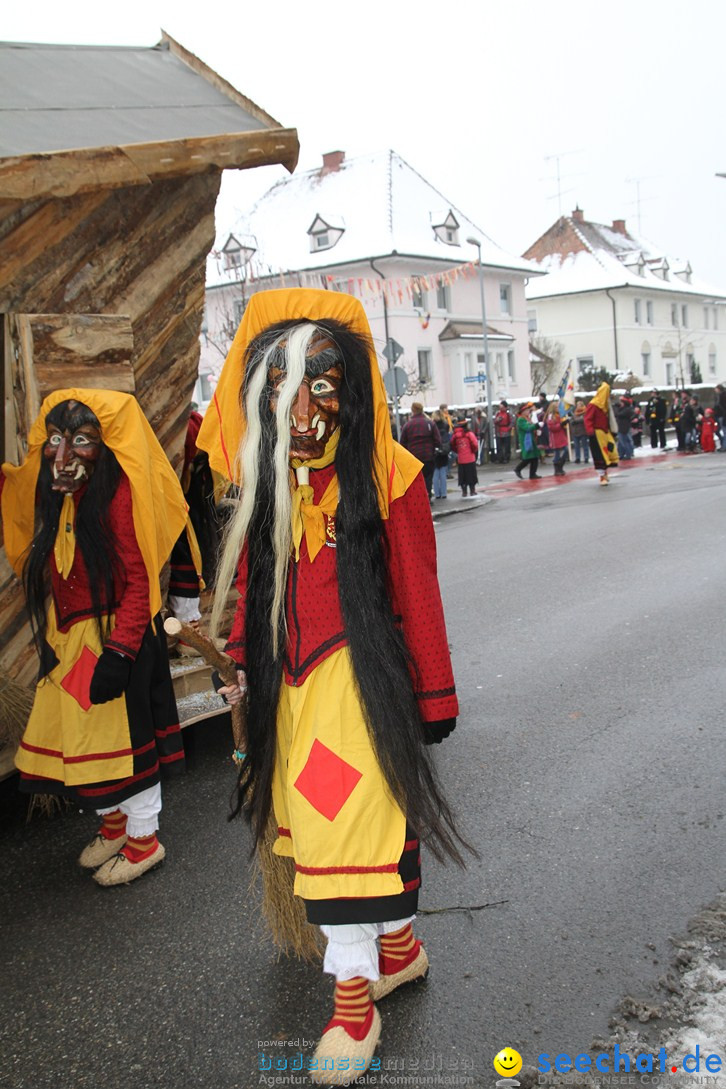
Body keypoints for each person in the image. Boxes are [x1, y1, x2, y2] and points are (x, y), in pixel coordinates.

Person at [196, 288, 463, 1085]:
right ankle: (397, 951)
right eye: (281, 387)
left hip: (363, 691)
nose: (303, 410)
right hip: (292, 689)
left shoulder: (392, 476)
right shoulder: (268, 488)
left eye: (320, 383)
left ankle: (355, 1002)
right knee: (324, 832)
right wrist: (241, 666)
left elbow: (417, 589)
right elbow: (253, 581)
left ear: (351, 386)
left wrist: (435, 698)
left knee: (355, 829)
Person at [0, 390, 187, 885]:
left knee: (127, 745)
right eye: (56, 440)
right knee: (86, 745)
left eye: (80, 442)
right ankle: (114, 824)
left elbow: (139, 579)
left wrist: (121, 652)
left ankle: (146, 838)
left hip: (113, 641)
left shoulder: (120, 496)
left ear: (105, 447)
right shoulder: (61, 493)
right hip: (71, 642)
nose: (63, 456)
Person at [399, 402, 439, 499]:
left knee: (416, 480)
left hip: (414, 457)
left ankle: (419, 499)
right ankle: (428, 496)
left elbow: (402, 442)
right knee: (428, 478)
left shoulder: (407, 425)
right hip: (428, 456)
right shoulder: (430, 423)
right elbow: (437, 440)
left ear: (412, 410)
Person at [584, 382, 619, 485]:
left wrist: (612, 430)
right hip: (596, 433)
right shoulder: (593, 405)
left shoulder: (605, 406)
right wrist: (590, 431)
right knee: (600, 455)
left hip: (605, 432)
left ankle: (605, 473)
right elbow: (588, 419)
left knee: (610, 452)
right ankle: (602, 477)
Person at [451, 416, 479, 497]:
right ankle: (472, 490)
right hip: (470, 458)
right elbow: (475, 444)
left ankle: (464, 492)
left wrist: (458, 451)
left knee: (463, 476)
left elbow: (452, 445)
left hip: (461, 459)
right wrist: (473, 452)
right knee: (471, 475)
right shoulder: (469, 434)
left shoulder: (455, 435)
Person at [513, 403, 542, 480]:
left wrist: (537, 429)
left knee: (534, 457)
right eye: (526, 410)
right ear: (522, 411)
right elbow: (527, 428)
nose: (528, 411)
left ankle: (532, 474)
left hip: (531, 440)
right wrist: (536, 426)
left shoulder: (527, 418)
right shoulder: (520, 420)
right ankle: (518, 469)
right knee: (528, 458)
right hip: (526, 441)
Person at [544, 403, 569, 475]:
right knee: (557, 453)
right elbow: (551, 428)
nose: (558, 408)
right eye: (557, 407)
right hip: (555, 437)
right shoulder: (550, 416)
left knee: (565, 450)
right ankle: (557, 469)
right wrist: (561, 424)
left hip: (561, 435)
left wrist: (565, 422)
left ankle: (560, 466)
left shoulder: (560, 415)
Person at [431, 409, 451, 499]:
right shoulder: (446, 425)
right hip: (443, 451)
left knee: (435, 474)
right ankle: (444, 493)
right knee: (443, 473)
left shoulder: (432, 426)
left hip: (434, 451)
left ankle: (437, 494)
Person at [614, 395, 635, 460]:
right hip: (621, 427)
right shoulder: (624, 409)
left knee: (625, 441)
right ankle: (621, 454)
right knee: (621, 442)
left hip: (624, 427)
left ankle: (628, 454)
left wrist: (618, 408)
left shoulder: (627, 409)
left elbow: (619, 414)